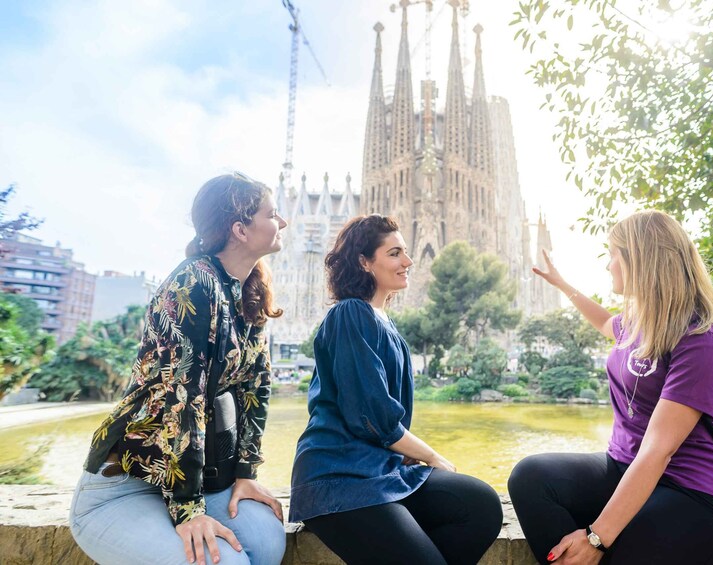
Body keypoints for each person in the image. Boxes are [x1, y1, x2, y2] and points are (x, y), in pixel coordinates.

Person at [70, 173, 288, 565]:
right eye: (272, 214)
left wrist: (246, 471)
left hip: (199, 479)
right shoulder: (193, 282)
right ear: (240, 229)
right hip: (127, 483)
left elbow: (257, 389)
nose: (283, 222)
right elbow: (180, 396)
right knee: (227, 563)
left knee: (269, 541)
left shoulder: (249, 290)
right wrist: (188, 510)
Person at [508, 210, 713, 565]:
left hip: (693, 493)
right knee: (531, 477)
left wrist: (596, 538)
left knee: (619, 550)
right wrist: (562, 285)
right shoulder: (639, 322)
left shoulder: (699, 339)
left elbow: (658, 450)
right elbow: (604, 321)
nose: (608, 265)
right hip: (623, 466)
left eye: (613, 254)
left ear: (642, 259)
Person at [289, 214, 503, 565]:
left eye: (405, 252)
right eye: (395, 253)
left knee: (480, 505)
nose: (408, 261)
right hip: (339, 477)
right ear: (364, 262)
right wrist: (431, 455)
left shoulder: (384, 321)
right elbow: (370, 415)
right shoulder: (350, 314)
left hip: (381, 469)